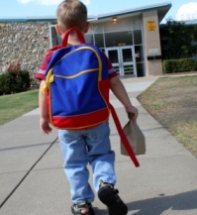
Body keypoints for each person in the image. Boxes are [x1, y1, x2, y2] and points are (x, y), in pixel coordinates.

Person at [36, 1, 138, 215]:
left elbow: (43, 89)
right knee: (101, 155)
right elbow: (115, 82)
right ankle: (105, 184)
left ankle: (82, 204)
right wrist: (128, 105)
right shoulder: (96, 53)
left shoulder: (51, 56)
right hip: (96, 119)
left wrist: (44, 117)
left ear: (57, 28)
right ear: (87, 27)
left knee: (74, 163)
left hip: (66, 123)